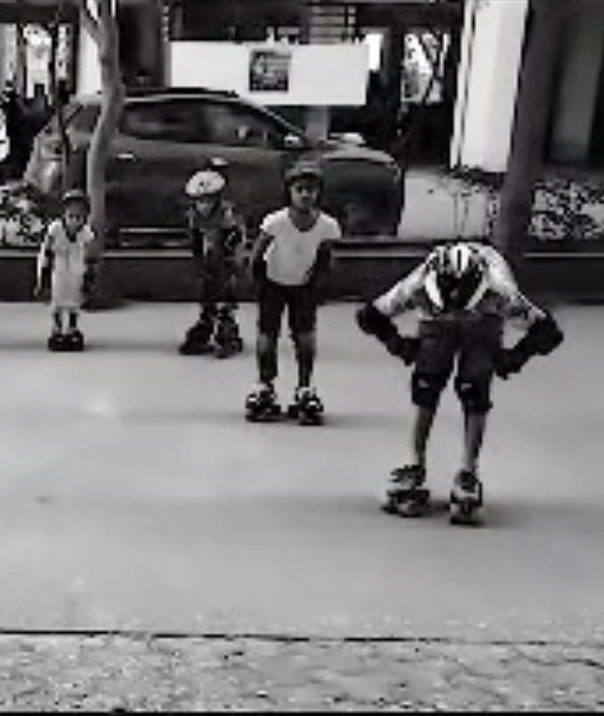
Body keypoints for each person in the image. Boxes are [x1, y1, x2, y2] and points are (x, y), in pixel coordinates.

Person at [356, 241, 564, 525]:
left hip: (483, 322)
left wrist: (517, 356)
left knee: (474, 388)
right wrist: (398, 344)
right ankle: (414, 462)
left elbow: (547, 331)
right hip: (435, 321)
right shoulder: (416, 286)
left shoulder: (499, 291)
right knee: (427, 385)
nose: (456, 314)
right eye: (451, 309)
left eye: (462, 309)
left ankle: (468, 469)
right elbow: (370, 315)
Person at [245, 160, 341, 424]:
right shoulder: (275, 222)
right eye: (300, 189)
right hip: (273, 282)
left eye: (311, 190)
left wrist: (320, 284)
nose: (305, 195)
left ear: (319, 193)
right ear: (289, 192)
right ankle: (265, 384)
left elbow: (326, 256)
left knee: (305, 337)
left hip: (304, 286)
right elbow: (256, 254)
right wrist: (256, 281)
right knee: (268, 335)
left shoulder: (327, 225)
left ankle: (304, 386)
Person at [178, 166, 248, 358]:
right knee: (207, 291)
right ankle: (206, 322)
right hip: (208, 256)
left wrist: (232, 261)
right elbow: (195, 240)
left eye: (208, 201)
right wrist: (199, 262)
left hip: (226, 257)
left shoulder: (227, 215)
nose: (204, 206)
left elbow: (235, 240)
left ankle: (227, 325)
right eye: (200, 201)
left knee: (225, 293)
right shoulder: (193, 215)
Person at [35, 189, 99, 351]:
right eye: (71, 216)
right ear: (64, 214)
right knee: (57, 296)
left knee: (74, 297)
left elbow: (91, 253)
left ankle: (72, 327)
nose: (75, 222)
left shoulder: (85, 232)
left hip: (76, 263)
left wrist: (90, 277)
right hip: (58, 263)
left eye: (79, 217)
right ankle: (56, 327)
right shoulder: (55, 228)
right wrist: (44, 274)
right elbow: (48, 249)